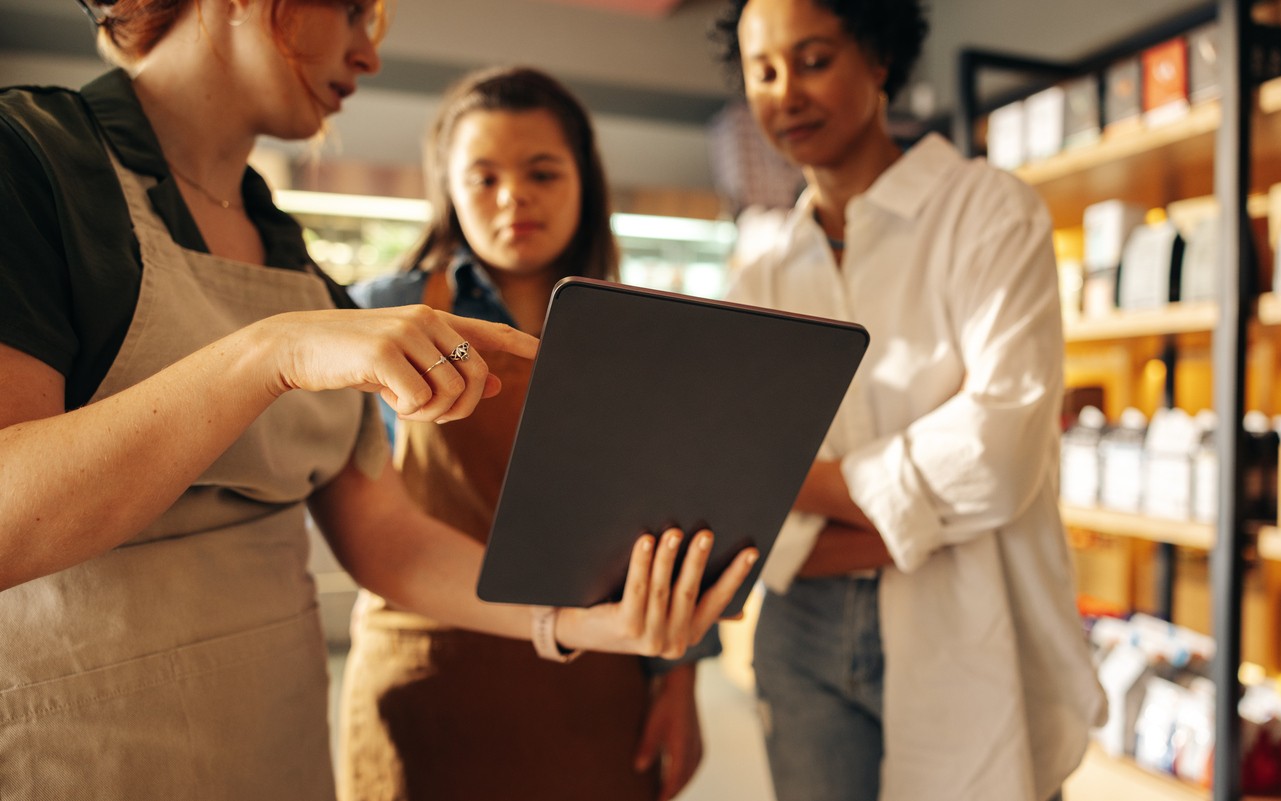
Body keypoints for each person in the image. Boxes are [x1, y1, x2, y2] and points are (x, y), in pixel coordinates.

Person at [0, 2, 758, 798]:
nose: (369, 55)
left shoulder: (294, 262)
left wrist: (577, 624)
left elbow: (387, 536)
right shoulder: (35, 162)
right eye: (354, 10)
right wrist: (273, 351)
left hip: (275, 751)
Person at [713, 1, 1108, 800]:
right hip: (803, 630)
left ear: (881, 58)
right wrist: (926, 519)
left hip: (970, 614)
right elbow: (738, 488)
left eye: (814, 59)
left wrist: (804, 485)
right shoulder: (760, 268)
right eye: (763, 70)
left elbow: (998, 452)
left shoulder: (989, 211)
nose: (785, 93)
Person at [338, 65, 713, 801]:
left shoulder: (642, 332)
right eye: (484, 178)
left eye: (542, 171)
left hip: (595, 681)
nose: (515, 197)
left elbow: (677, 515)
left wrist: (681, 678)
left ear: (584, 181)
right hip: (427, 682)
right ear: (447, 185)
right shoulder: (382, 312)